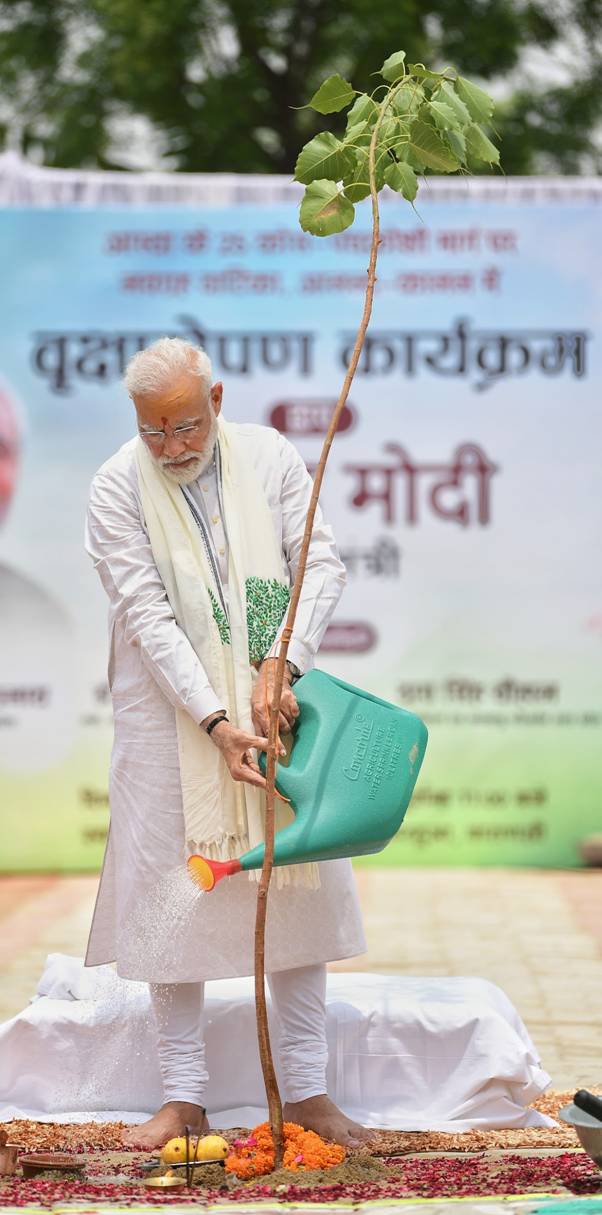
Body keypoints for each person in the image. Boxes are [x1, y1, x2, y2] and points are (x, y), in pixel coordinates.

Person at [85, 337, 368, 1149]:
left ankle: (308, 1090)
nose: (171, 447)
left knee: (294, 883)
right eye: (153, 432)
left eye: (184, 426)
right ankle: (183, 1095)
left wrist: (282, 661)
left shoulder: (271, 456)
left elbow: (320, 563)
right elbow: (146, 615)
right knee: (169, 892)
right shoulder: (114, 486)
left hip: (275, 704)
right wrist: (213, 719)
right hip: (165, 718)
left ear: (216, 399)